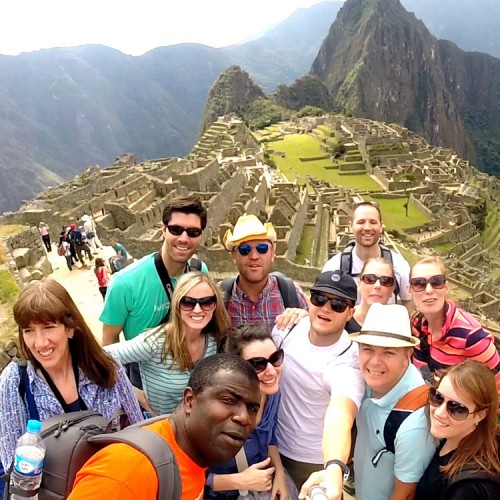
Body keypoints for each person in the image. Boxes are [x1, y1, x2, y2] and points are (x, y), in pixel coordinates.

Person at [68, 353, 262, 500]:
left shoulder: (197, 452)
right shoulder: (128, 470)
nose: (244, 417)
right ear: (189, 400)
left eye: (252, 408)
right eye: (228, 400)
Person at [0, 279, 143, 472]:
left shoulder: (107, 365)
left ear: (69, 328)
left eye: (49, 327)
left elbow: (139, 431)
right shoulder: (15, 382)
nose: (40, 343)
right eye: (29, 331)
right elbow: (13, 468)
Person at [274, 270, 365, 498]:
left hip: (312, 460)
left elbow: (341, 416)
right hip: (274, 447)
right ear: (309, 301)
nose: (325, 308)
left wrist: (333, 466)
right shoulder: (287, 329)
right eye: (319, 299)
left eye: (338, 305)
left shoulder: (348, 360)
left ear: (350, 313)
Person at [343, 303, 436, 500]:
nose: (375, 362)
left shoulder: (414, 424)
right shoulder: (365, 380)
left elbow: (405, 494)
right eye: (368, 349)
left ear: (407, 355)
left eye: (388, 352)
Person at [105, 272, 230, 415]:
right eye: (188, 302)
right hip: (162, 428)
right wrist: (134, 393)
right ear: (177, 305)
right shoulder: (153, 343)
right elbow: (99, 357)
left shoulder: (216, 340)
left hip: (201, 427)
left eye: (206, 302)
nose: (197, 309)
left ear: (215, 305)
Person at [100, 195, 208, 346]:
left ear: (201, 235)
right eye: (176, 230)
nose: (184, 239)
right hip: (145, 366)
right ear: (163, 230)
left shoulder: (199, 271)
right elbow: (109, 343)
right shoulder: (125, 283)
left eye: (193, 232)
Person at [206, 325, 296, 499]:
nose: (271, 370)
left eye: (275, 358)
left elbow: (269, 438)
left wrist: (279, 475)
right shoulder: (215, 412)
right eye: (257, 364)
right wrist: (238, 481)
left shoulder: (272, 393)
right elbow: (183, 475)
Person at [410, 256, 500, 391]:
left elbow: (496, 389)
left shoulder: (472, 338)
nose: (428, 290)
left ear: (446, 287)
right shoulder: (416, 326)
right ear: (409, 290)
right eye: (419, 284)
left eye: (436, 282)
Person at [415, 361, 500, 500]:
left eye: (456, 408)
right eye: (437, 397)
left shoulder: (468, 488)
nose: (439, 413)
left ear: (480, 415)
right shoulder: (454, 440)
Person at [222, 214, 309, 330]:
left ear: (272, 253)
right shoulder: (219, 297)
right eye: (244, 250)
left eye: (262, 248)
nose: (254, 256)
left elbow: (315, 339)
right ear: (233, 256)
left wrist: (307, 320)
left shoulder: (291, 293)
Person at [322, 201, 413, 310]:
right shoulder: (334, 267)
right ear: (351, 226)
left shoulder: (399, 266)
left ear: (380, 226)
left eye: (373, 222)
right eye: (361, 222)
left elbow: (409, 300)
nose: (367, 227)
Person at [345, 257, 396, 333]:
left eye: (385, 281)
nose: (377, 285)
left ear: (392, 289)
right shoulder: (342, 320)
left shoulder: (399, 325)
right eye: (370, 279)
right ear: (359, 284)